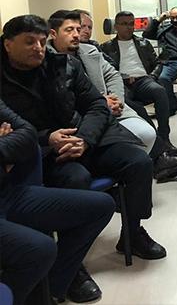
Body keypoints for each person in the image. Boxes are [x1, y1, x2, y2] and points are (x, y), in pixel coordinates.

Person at [0, 15, 167, 265]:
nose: (38, 48)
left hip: (86, 137)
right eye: (29, 42)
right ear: (8, 44)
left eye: (42, 42)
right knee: (76, 179)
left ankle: (132, 233)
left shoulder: (64, 64)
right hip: (44, 152)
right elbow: (10, 127)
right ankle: (73, 261)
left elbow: (97, 105)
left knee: (139, 162)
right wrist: (48, 138)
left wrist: (84, 139)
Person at [49, 11, 177, 183]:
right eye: (72, 29)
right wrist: (102, 101)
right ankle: (156, 162)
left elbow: (112, 73)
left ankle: (162, 145)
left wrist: (116, 98)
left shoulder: (94, 49)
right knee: (138, 111)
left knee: (158, 92)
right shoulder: (53, 60)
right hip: (94, 110)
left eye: (83, 28)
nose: (81, 32)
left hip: (133, 85)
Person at [0, 99, 116, 304]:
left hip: (7, 193)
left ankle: (50, 287)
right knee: (40, 249)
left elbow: (28, 134)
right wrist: (5, 157)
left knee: (101, 206)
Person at [102, 11, 177, 149]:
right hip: (121, 83)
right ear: (116, 26)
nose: (129, 27)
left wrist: (152, 76)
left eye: (131, 24)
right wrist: (123, 77)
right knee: (132, 104)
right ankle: (157, 142)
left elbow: (158, 63)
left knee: (160, 91)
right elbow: (106, 71)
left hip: (143, 80)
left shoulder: (143, 43)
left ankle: (164, 137)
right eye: (124, 24)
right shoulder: (106, 47)